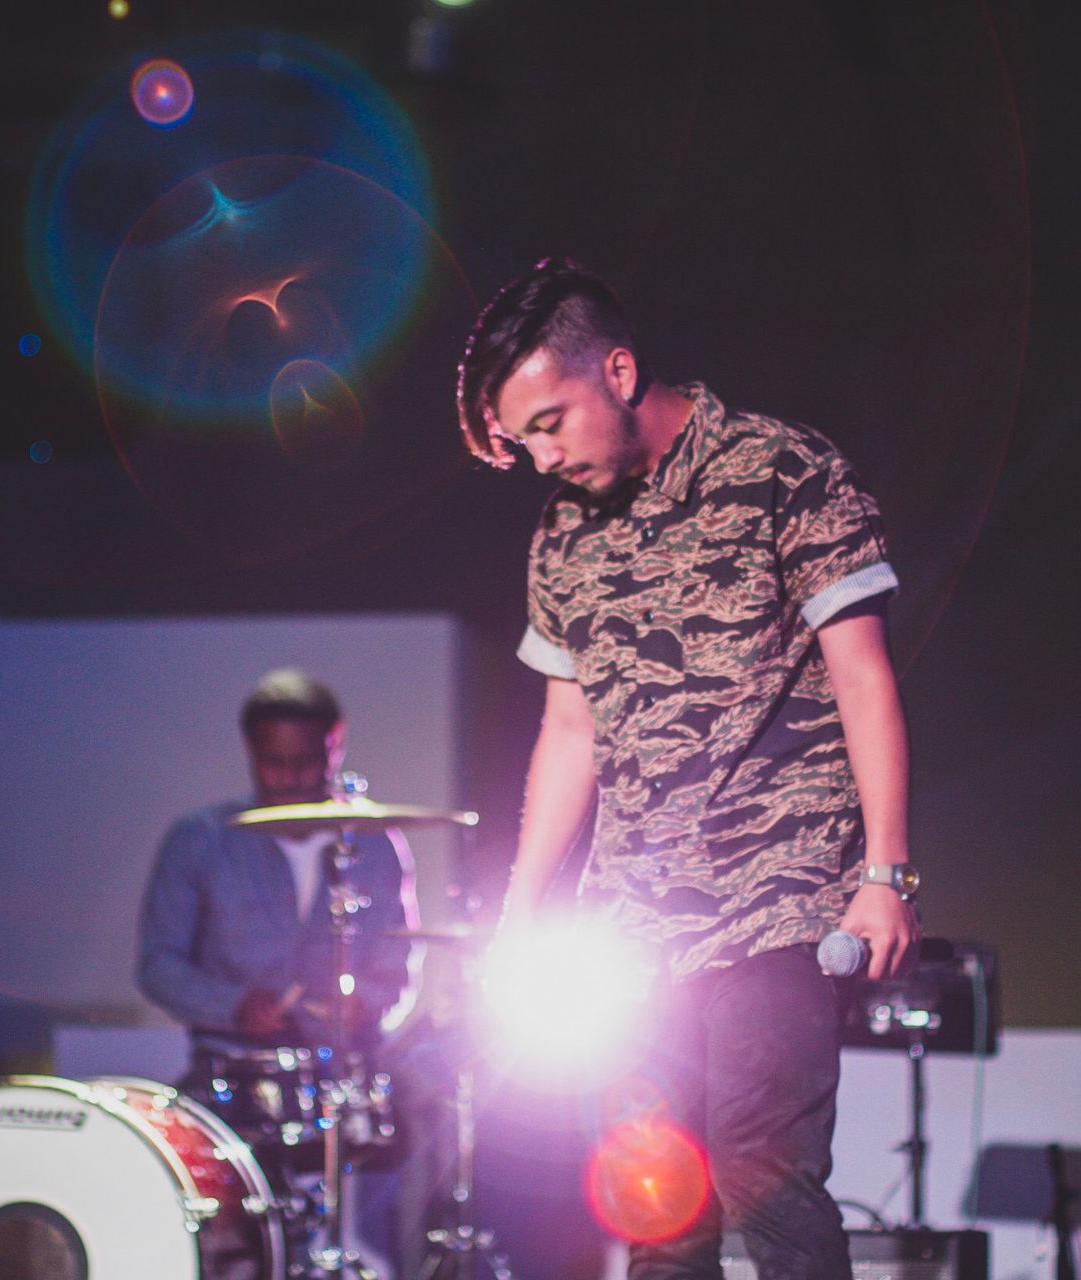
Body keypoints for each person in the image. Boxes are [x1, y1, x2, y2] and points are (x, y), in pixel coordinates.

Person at [455, 258, 920, 1280]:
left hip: (776, 895)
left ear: (617, 372)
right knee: (659, 1204)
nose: (543, 457)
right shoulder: (561, 535)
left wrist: (885, 873)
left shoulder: (781, 468)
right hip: (632, 924)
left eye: (550, 423)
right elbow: (568, 732)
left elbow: (862, 674)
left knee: (764, 1175)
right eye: (524, 439)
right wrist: (519, 915)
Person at [137, 666, 420, 1058]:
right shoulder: (199, 840)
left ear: (335, 744)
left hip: (347, 1064)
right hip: (233, 1061)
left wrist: (365, 1004)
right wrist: (233, 1005)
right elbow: (159, 965)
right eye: (273, 762)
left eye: (305, 761)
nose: (289, 777)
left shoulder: (375, 845)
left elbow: (398, 968)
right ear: (249, 748)